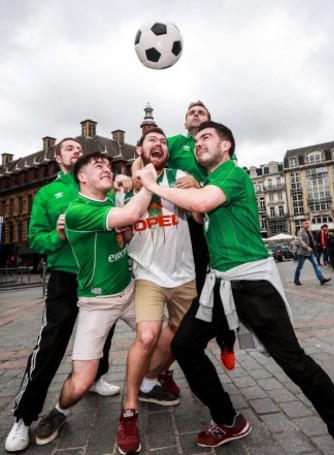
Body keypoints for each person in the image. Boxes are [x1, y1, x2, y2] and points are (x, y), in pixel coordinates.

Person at [135, 121, 334, 454]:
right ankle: (227, 419)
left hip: (251, 282)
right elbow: (200, 214)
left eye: (206, 138)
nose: (197, 144)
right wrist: (189, 195)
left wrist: (154, 184)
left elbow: (203, 205)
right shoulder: (209, 180)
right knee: (185, 346)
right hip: (219, 285)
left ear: (227, 147)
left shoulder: (232, 174)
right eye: (195, 141)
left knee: (294, 362)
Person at [5, 139, 122, 453]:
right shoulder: (47, 193)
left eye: (78, 148)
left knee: (104, 334)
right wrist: (56, 235)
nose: (77, 151)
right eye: (69, 148)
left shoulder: (104, 188)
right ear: (57, 158)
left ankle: (96, 378)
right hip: (66, 276)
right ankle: (23, 416)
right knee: (51, 344)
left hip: (98, 274)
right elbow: (35, 239)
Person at [34, 151, 155, 455]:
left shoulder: (113, 200)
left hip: (128, 294)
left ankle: (148, 384)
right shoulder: (76, 211)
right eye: (97, 165)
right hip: (96, 303)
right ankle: (59, 411)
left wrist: (126, 231)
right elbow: (129, 215)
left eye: (108, 165)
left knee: (165, 338)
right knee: (82, 382)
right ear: (81, 178)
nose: (106, 168)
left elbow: (124, 231)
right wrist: (149, 184)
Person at [133, 100, 236, 374]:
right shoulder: (175, 142)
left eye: (201, 113)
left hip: (214, 217)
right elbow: (142, 158)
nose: (196, 115)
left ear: (210, 122)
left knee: (223, 281)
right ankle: (168, 363)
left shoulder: (218, 145)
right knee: (200, 289)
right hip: (186, 220)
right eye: (192, 113)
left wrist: (199, 184)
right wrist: (135, 178)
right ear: (185, 122)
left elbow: (225, 181)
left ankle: (227, 340)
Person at [117, 128, 201, 444]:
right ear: (139, 149)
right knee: (148, 335)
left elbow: (197, 214)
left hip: (184, 274)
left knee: (183, 337)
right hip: (148, 274)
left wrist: (197, 187)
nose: (159, 144)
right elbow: (120, 228)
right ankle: (129, 411)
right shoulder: (125, 185)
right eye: (152, 140)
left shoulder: (179, 176)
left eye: (164, 141)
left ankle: (152, 378)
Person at [294, 219, 331, 286]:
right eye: (305, 223)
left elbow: (312, 241)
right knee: (299, 267)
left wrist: (315, 248)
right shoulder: (300, 231)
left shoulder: (309, 232)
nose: (307, 225)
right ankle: (296, 280)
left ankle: (321, 279)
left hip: (310, 253)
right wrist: (306, 247)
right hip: (302, 253)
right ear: (302, 224)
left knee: (316, 265)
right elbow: (300, 241)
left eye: (308, 223)